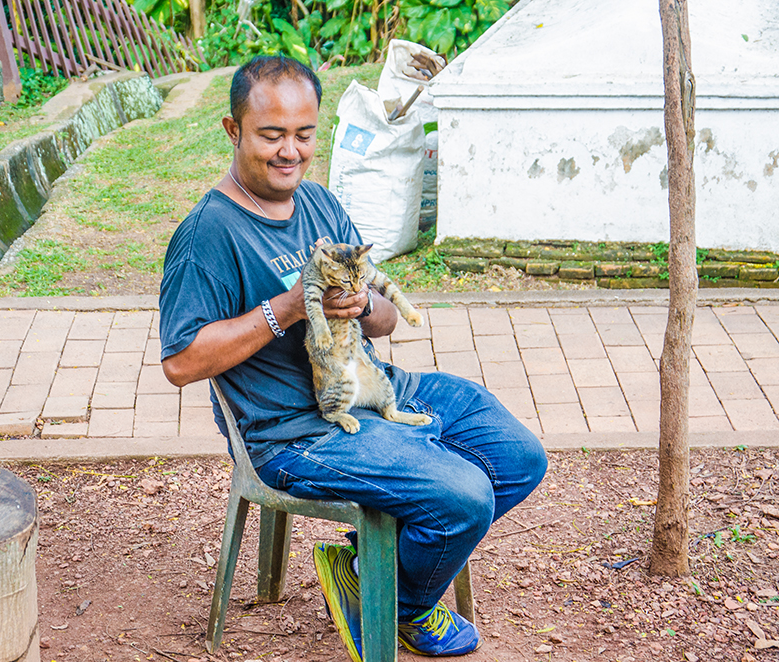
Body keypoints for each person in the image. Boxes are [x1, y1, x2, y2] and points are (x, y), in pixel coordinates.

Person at [159, 55, 547, 660]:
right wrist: (284, 309)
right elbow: (181, 364)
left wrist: (366, 303)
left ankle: (376, 568)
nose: (290, 150)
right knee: (464, 494)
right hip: (293, 432)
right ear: (234, 132)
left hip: (374, 386)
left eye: (304, 134)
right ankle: (400, 605)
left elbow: (386, 323)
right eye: (271, 135)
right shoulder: (209, 234)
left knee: (519, 458)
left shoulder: (320, 206)